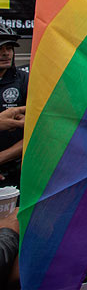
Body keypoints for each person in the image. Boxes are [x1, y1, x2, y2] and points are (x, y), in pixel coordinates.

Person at [0, 24, 28, 188]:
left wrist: (2, 157)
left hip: (16, 169)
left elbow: (38, 129)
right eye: (0, 48)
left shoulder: (24, 80)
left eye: (9, 48)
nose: (5, 53)